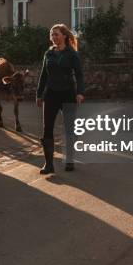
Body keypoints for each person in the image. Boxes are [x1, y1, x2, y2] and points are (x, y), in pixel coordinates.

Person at [36, 23, 85, 174]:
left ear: (64, 36)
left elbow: (79, 74)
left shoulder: (72, 54)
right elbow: (43, 75)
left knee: (69, 128)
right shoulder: (48, 54)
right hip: (51, 94)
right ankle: (48, 164)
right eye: (52, 35)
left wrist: (80, 92)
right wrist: (39, 94)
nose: (54, 37)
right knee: (47, 129)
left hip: (68, 94)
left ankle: (69, 159)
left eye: (56, 34)